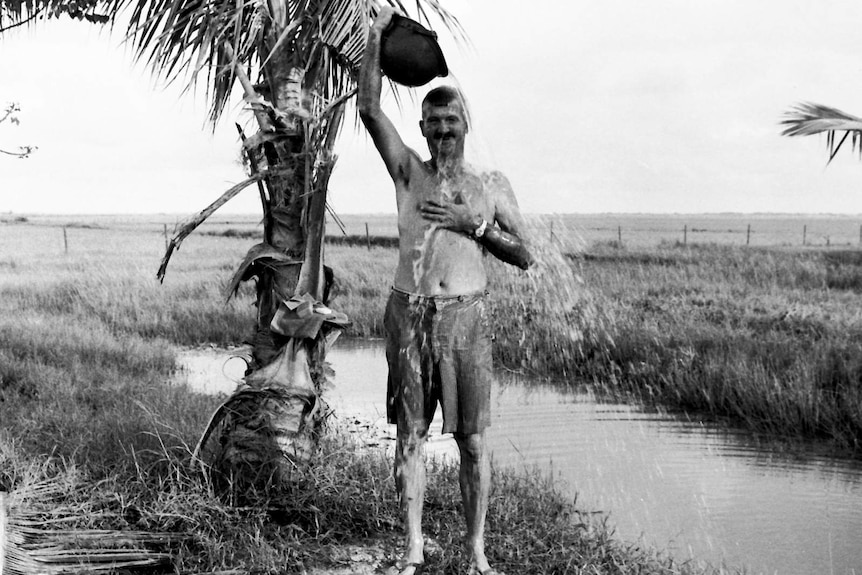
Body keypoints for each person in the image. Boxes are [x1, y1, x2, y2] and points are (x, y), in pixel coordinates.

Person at [358, 8, 533, 575]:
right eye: (432, 122)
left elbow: (524, 255)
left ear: (465, 122)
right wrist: (377, 38)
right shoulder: (409, 172)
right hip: (408, 313)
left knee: (474, 444)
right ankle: (412, 548)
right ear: (424, 130)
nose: (441, 129)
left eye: (450, 119)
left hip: (465, 320)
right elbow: (368, 108)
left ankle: (476, 551)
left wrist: (471, 225)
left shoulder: (489, 187)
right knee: (409, 438)